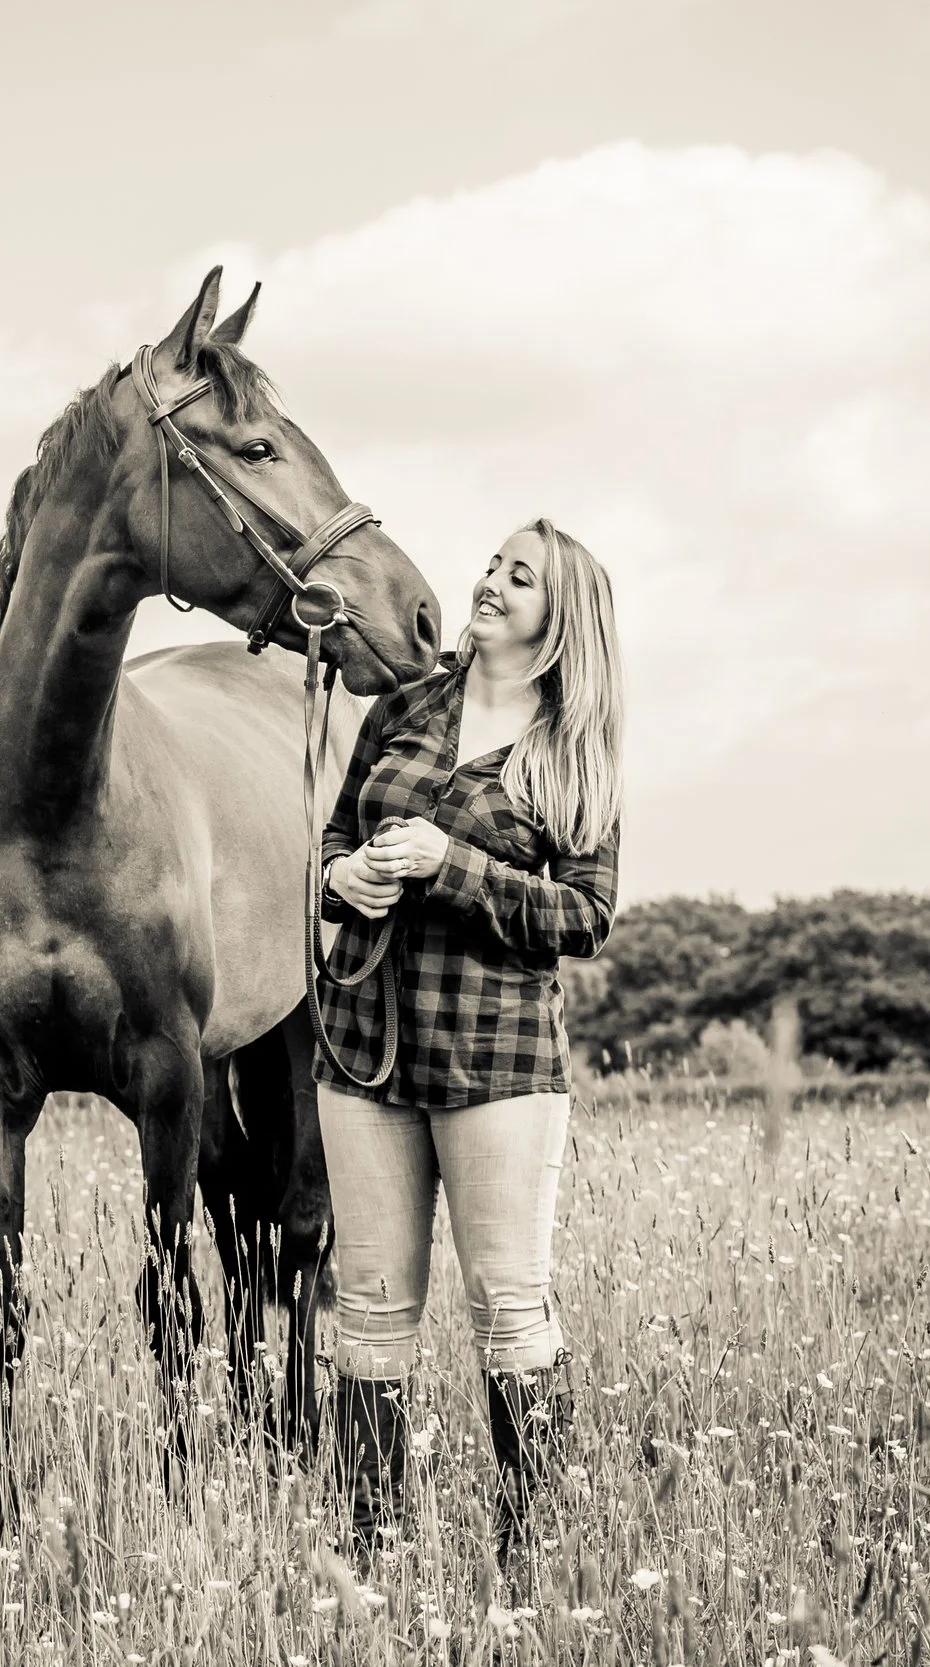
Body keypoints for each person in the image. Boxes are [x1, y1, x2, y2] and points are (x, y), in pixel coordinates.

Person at [312, 516, 625, 1575]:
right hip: (363, 1048)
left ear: (559, 616)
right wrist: (342, 875)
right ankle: (370, 1559)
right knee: (368, 1307)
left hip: (497, 1063)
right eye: (493, 564)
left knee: (507, 1304)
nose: (488, 582)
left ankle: (530, 1561)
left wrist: (448, 863)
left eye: (517, 576)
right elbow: (334, 833)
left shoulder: (572, 751)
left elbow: (584, 915)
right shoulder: (405, 705)